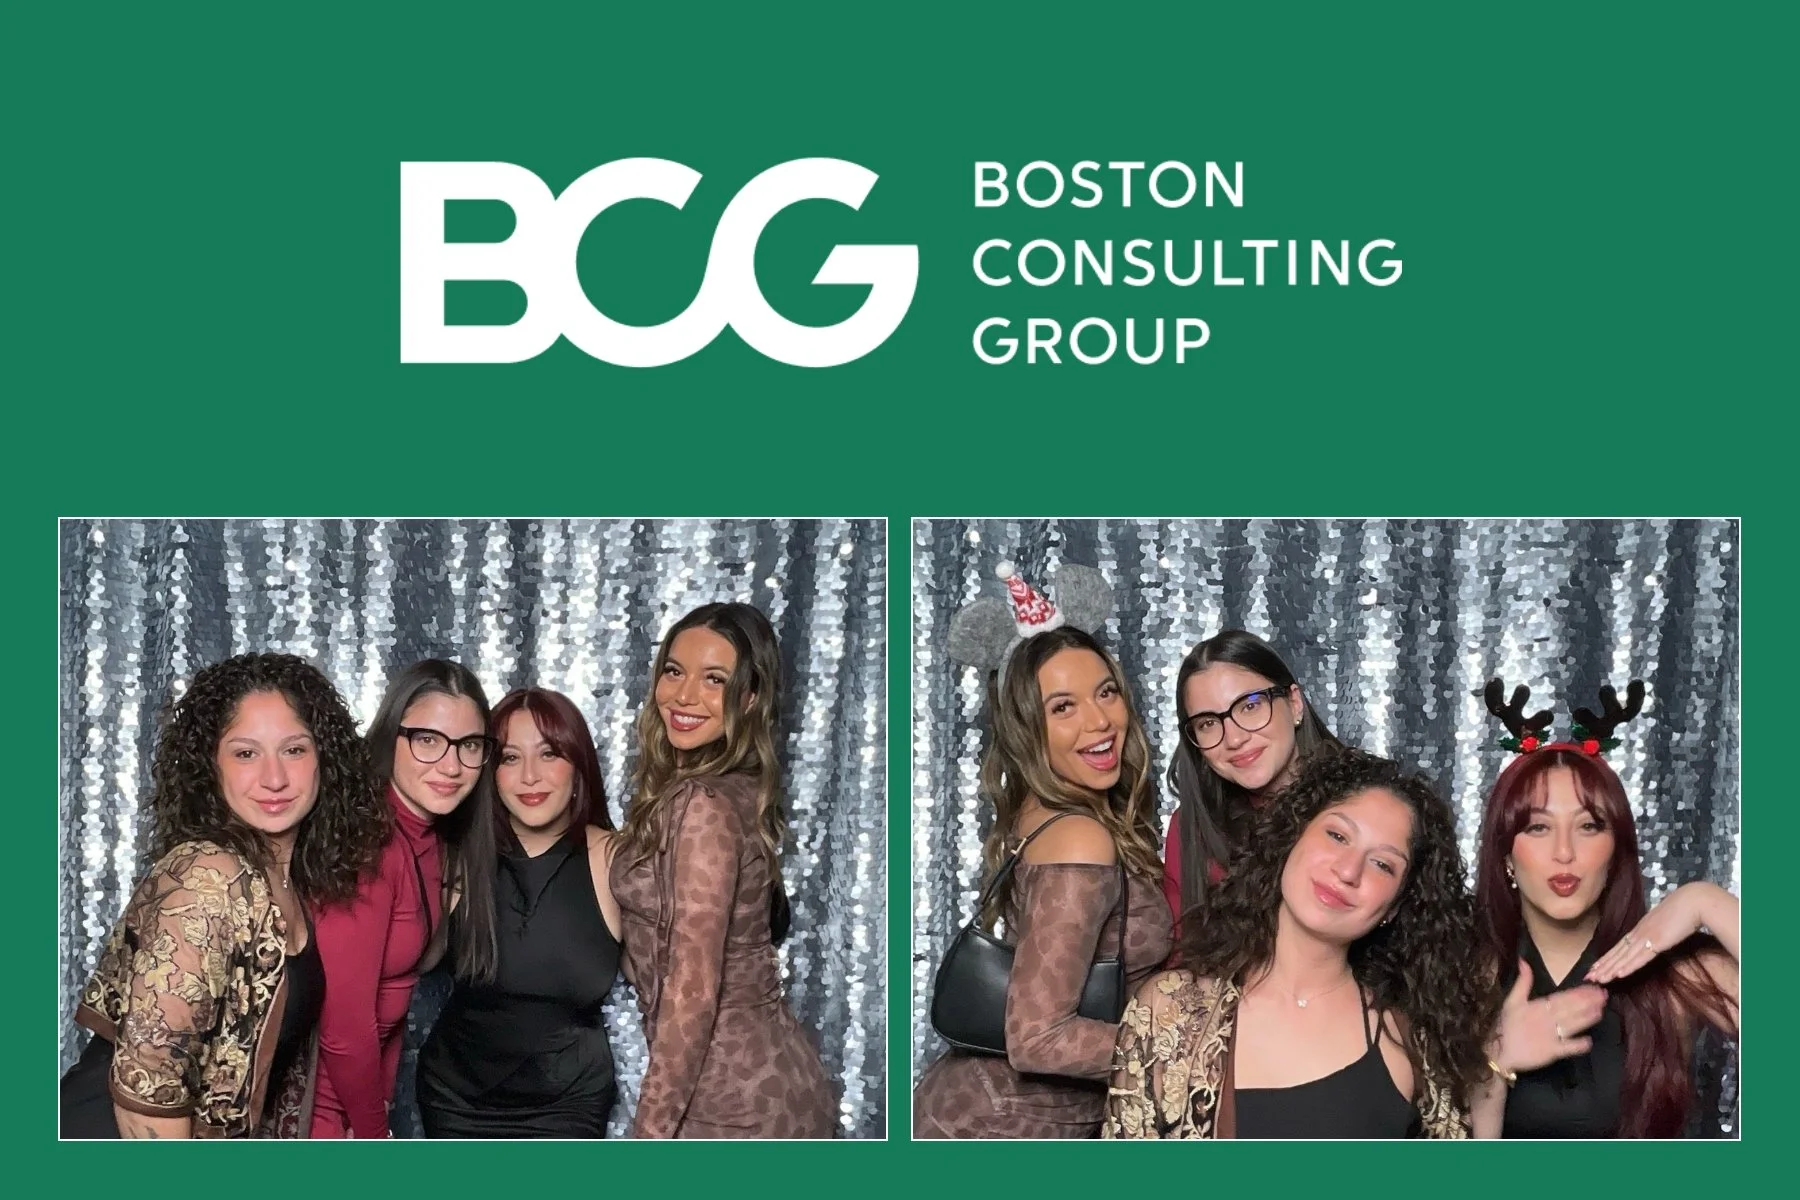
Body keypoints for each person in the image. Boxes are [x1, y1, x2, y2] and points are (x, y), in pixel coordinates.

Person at [62, 653, 388, 1138]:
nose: (274, 778)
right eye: (245, 753)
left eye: (294, 750)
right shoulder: (207, 877)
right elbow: (147, 1104)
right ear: (210, 766)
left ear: (325, 759)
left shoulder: (287, 879)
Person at [1105, 748, 1493, 1139]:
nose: (1347, 871)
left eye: (1382, 864)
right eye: (1337, 835)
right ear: (1291, 838)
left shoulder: (1411, 1033)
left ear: (1396, 905)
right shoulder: (1169, 1009)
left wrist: (1501, 1068)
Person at [914, 614, 1172, 1138]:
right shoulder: (1079, 837)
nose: (1099, 722)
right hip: (1007, 1129)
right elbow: (1039, 1039)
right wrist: (1187, 1050)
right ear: (1027, 729)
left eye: (1105, 693)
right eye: (1063, 708)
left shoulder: (1042, 813)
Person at [1468, 681, 1739, 1138]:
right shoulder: (1458, 970)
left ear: (1616, 851)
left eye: (1589, 826)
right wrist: (1493, 1067)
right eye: (1537, 827)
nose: (1564, 852)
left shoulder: (1677, 973)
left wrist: (1704, 901)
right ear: (1506, 857)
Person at [611, 602, 836, 1138]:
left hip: (732, 1104)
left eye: (715, 679)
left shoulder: (702, 803)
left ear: (751, 697)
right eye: (674, 670)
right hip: (765, 1083)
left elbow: (692, 986)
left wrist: (648, 1134)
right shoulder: (732, 789)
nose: (685, 696)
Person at [417, 687, 623, 1137]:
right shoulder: (456, 857)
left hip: (568, 1104)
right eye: (510, 758)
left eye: (549, 754)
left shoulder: (615, 859)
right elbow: (417, 963)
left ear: (578, 765)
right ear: (489, 773)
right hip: (456, 1100)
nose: (530, 776)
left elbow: (682, 973)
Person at [309, 659, 500, 1138]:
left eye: (469, 745)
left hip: (362, 1102)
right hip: (317, 1109)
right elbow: (346, 1027)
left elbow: (389, 1014)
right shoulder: (367, 843)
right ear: (392, 735)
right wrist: (374, 1135)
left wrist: (382, 1110)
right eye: (428, 740)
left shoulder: (431, 839)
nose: (452, 766)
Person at [1163, 631, 1341, 924]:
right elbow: (1184, 954)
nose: (1233, 739)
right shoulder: (1192, 827)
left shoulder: (1365, 803)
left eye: (1250, 706)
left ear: (1294, 703)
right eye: (1207, 723)